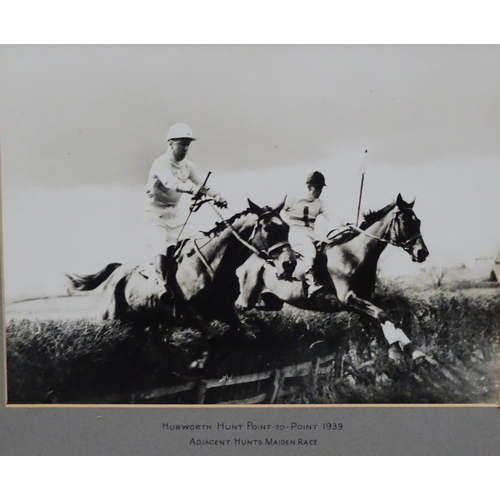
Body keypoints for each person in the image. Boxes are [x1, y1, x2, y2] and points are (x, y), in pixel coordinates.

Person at [144, 122, 227, 300]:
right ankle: (162, 286)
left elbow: (203, 185)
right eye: (182, 143)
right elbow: (169, 183)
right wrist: (191, 190)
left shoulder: (188, 166)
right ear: (171, 143)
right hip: (155, 214)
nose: (186, 148)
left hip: (176, 213)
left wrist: (217, 196)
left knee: (198, 241)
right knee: (160, 246)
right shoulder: (160, 163)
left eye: (188, 144)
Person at [283, 171, 333, 297]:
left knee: (327, 247)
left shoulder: (321, 202)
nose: (320, 191)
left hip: (311, 233)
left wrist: (344, 223)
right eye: (317, 188)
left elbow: (331, 216)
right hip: (295, 233)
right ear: (310, 186)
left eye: (321, 188)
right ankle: (311, 283)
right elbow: (275, 210)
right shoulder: (293, 198)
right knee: (309, 249)